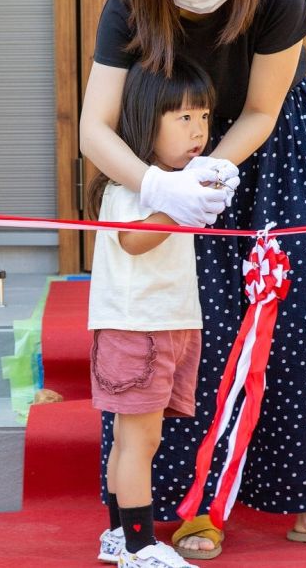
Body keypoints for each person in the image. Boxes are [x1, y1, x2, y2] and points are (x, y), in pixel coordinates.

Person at [80, 0, 306, 560]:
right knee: (193, 327)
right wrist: (160, 186)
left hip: (275, 150)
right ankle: (192, 506)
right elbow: (93, 127)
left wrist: (214, 171)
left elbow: (263, 109)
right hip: (168, 156)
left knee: (305, 318)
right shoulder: (131, 3)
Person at [88, 58, 224, 568]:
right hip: (136, 329)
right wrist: (179, 208)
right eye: (183, 118)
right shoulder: (135, 186)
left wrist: (190, 197)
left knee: (135, 439)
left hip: (166, 324)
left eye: (204, 117)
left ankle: (119, 538)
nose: (198, 131)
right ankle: (139, 547)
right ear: (147, 121)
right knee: (138, 440)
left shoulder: (174, 182)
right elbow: (134, 239)